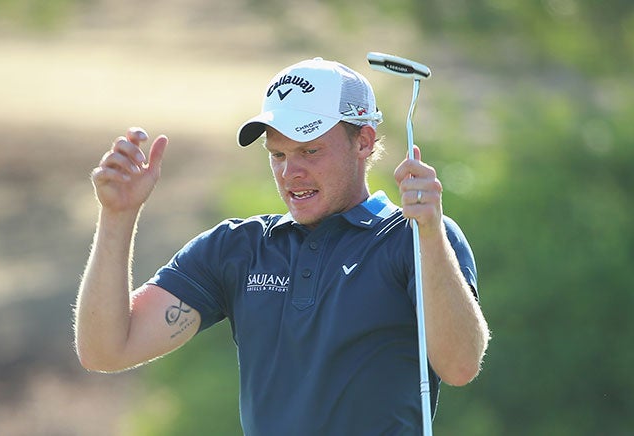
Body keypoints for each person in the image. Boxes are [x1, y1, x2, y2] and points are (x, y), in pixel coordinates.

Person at [74, 57, 490, 435]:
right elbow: (105, 351)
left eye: (310, 151)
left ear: (363, 141)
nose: (292, 172)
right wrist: (117, 216)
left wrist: (429, 233)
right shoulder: (236, 248)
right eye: (278, 155)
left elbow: (460, 365)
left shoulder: (415, 237)